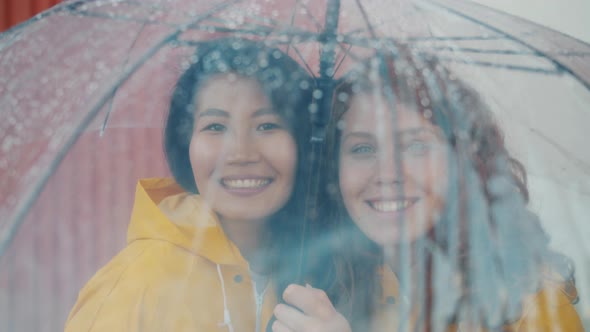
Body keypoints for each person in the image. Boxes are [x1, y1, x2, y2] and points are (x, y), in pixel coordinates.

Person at [273, 45, 583, 332]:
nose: (388, 173)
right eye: (363, 149)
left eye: (415, 146)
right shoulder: (329, 285)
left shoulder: (531, 300)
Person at [64, 37, 314, 332]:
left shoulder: (334, 273)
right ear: (186, 145)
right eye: (216, 127)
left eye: (267, 125)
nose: (241, 153)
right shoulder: (135, 287)